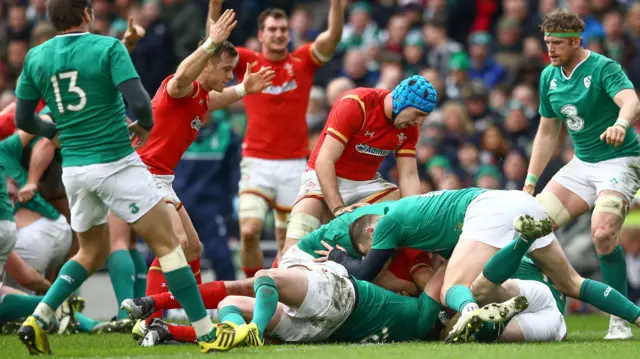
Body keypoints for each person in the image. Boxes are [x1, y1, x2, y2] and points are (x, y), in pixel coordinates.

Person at [13, 0, 242, 354]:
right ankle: (206, 333)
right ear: (88, 14)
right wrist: (145, 127)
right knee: (169, 245)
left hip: (74, 168)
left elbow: (24, 120)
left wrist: (56, 131)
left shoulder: (34, 57)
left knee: (92, 251)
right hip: (118, 161)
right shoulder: (108, 47)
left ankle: (39, 317)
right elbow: (140, 103)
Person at [109, 8, 274, 322]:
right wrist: (210, 44)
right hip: (144, 174)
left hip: (162, 178)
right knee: (177, 244)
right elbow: (184, 73)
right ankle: (151, 314)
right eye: (226, 70)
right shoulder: (181, 88)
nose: (229, 76)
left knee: (194, 247)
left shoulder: (201, 97)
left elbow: (218, 98)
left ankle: (188, 312)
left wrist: (243, 90)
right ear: (208, 63)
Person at [336, 189, 640, 342]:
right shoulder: (419, 214)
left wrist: (339, 259)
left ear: (372, 233)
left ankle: (470, 311)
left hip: (486, 210)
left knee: (454, 289)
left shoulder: (387, 223)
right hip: (519, 200)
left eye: (370, 248)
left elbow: (365, 272)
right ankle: (636, 317)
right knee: (571, 282)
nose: (381, 252)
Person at [523, 9, 640, 339]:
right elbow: (547, 133)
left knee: (602, 233)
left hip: (620, 160)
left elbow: (631, 101)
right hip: (582, 165)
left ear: (576, 41)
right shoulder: (549, 76)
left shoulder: (604, 68)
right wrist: (530, 182)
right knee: (529, 228)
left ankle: (619, 320)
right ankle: (549, 310)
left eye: (557, 43)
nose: (550, 50)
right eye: (547, 43)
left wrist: (620, 123)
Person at [209, 0, 346, 277]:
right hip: (256, 162)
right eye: (272, 29)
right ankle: (252, 288)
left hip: (294, 165)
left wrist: (336, 6)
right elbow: (213, 45)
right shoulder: (248, 61)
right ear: (261, 34)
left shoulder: (303, 61)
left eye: (283, 29)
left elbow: (331, 38)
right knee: (249, 231)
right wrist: (214, 7)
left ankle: (278, 294)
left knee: (288, 242)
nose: (279, 34)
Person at [283, 75, 434, 257]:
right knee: (292, 250)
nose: (419, 122)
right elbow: (325, 161)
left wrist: (417, 218)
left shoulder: (409, 128)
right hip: (323, 177)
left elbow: (409, 176)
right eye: (418, 114)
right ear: (402, 101)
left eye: (424, 117)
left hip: (366, 184)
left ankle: (402, 268)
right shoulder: (356, 104)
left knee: (404, 210)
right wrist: (338, 208)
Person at [0, 131, 72, 294]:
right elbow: (39, 121)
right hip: (59, 227)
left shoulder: (6, 147)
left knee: (16, 305)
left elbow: (27, 278)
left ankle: (58, 306)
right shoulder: (5, 148)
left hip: (28, 239)